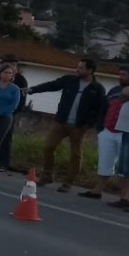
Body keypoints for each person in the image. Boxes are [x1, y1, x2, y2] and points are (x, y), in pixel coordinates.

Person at [27, 58, 107, 192]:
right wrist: (32, 89)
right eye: (78, 67)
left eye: (81, 68)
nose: (78, 69)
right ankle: (47, 175)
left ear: (90, 70)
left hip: (79, 126)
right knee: (48, 146)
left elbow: (101, 108)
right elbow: (51, 85)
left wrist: (91, 124)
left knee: (75, 154)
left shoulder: (97, 88)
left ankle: (68, 182)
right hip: (61, 122)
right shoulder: (69, 80)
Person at [79, 65, 129, 200]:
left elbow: (125, 96)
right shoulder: (114, 90)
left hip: (126, 132)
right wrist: (100, 127)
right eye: (120, 74)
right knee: (104, 162)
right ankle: (97, 190)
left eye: (124, 74)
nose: (120, 77)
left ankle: (125, 196)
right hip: (108, 130)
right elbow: (104, 107)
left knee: (125, 167)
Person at [0, 55, 28, 172]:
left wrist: (12, 112)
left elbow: (21, 100)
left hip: (10, 113)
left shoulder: (20, 80)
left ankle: (3, 162)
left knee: (5, 137)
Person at [110, 77, 129, 211]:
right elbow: (122, 96)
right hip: (127, 129)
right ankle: (126, 197)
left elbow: (126, 92)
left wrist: (127, 93)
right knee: (125, 168)